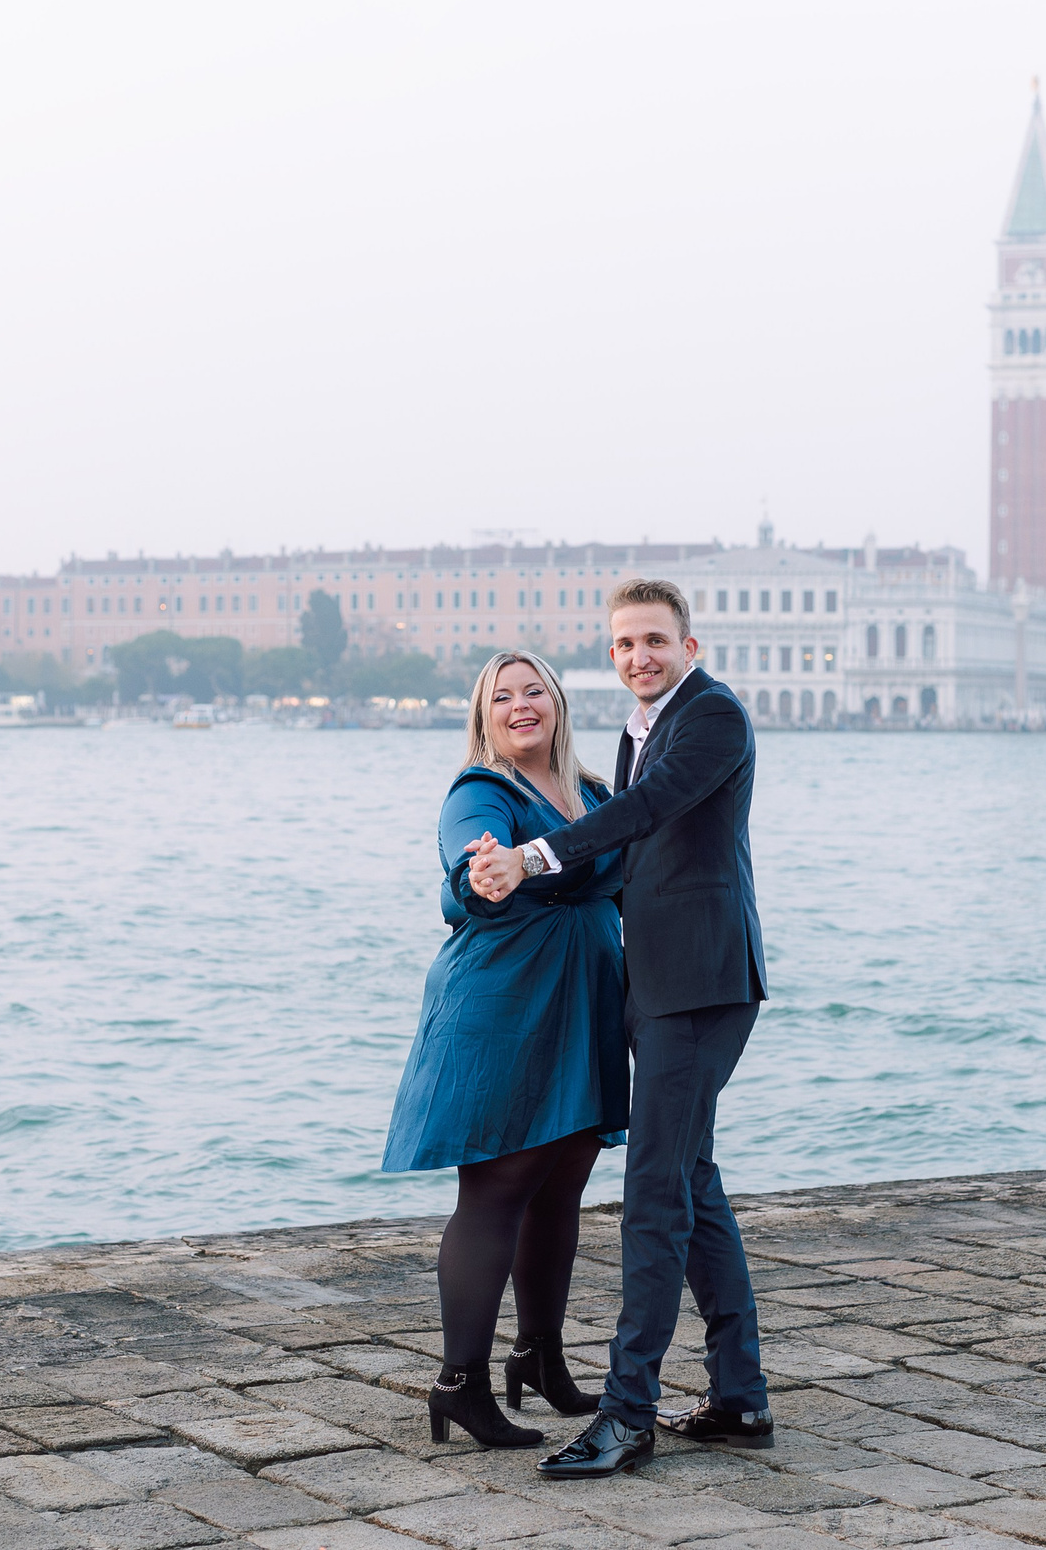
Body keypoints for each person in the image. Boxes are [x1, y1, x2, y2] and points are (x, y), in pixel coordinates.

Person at [464, 578, 772, 1481]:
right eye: (625, 644)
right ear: (613, 656)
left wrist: (536, 852)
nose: (639, 655)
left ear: (691, 645)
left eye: (654, 640)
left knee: (653, 1198)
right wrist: (503, 874)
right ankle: (740, 1394)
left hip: (702, 985)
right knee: (692, 1180)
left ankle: (626, 1414)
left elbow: (640, 814)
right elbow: (631, 853)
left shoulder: (711, 718)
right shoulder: (641, 727)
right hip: (663, 982)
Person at [381, 650, 630, 1449]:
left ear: (557, 700)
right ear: (483, 716)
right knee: (497, 1188)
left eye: (534, 690)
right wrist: (479, 874)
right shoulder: (482, 789)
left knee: (562, 1185)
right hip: (507, 1008)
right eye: (502, 697)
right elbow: (467, 862)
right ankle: (461, 1383)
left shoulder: (595, 791)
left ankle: (541, 1357)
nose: (521, 705)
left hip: (585, 1008)